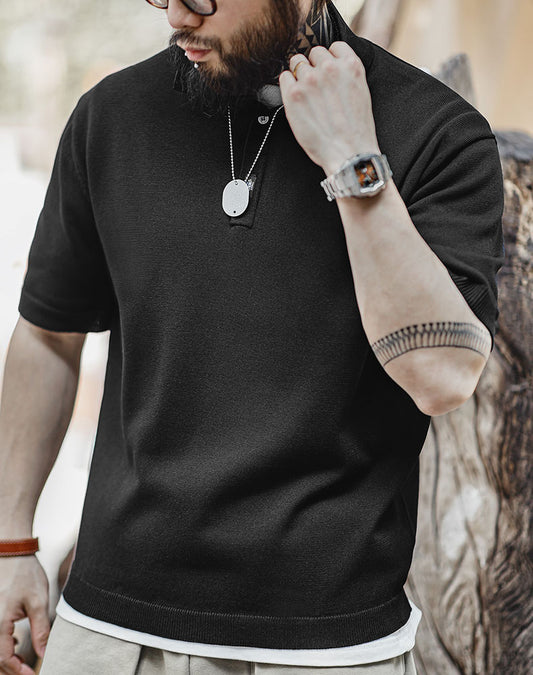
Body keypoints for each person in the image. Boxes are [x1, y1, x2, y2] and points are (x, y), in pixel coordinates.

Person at [0, 0, 504, 673]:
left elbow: (441, 376)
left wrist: (353, 162)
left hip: (329, 650)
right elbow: (48, 334)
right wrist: (10, 542)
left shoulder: (437, 132)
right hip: (105, 634)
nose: (177, 17)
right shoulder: (111, 116)